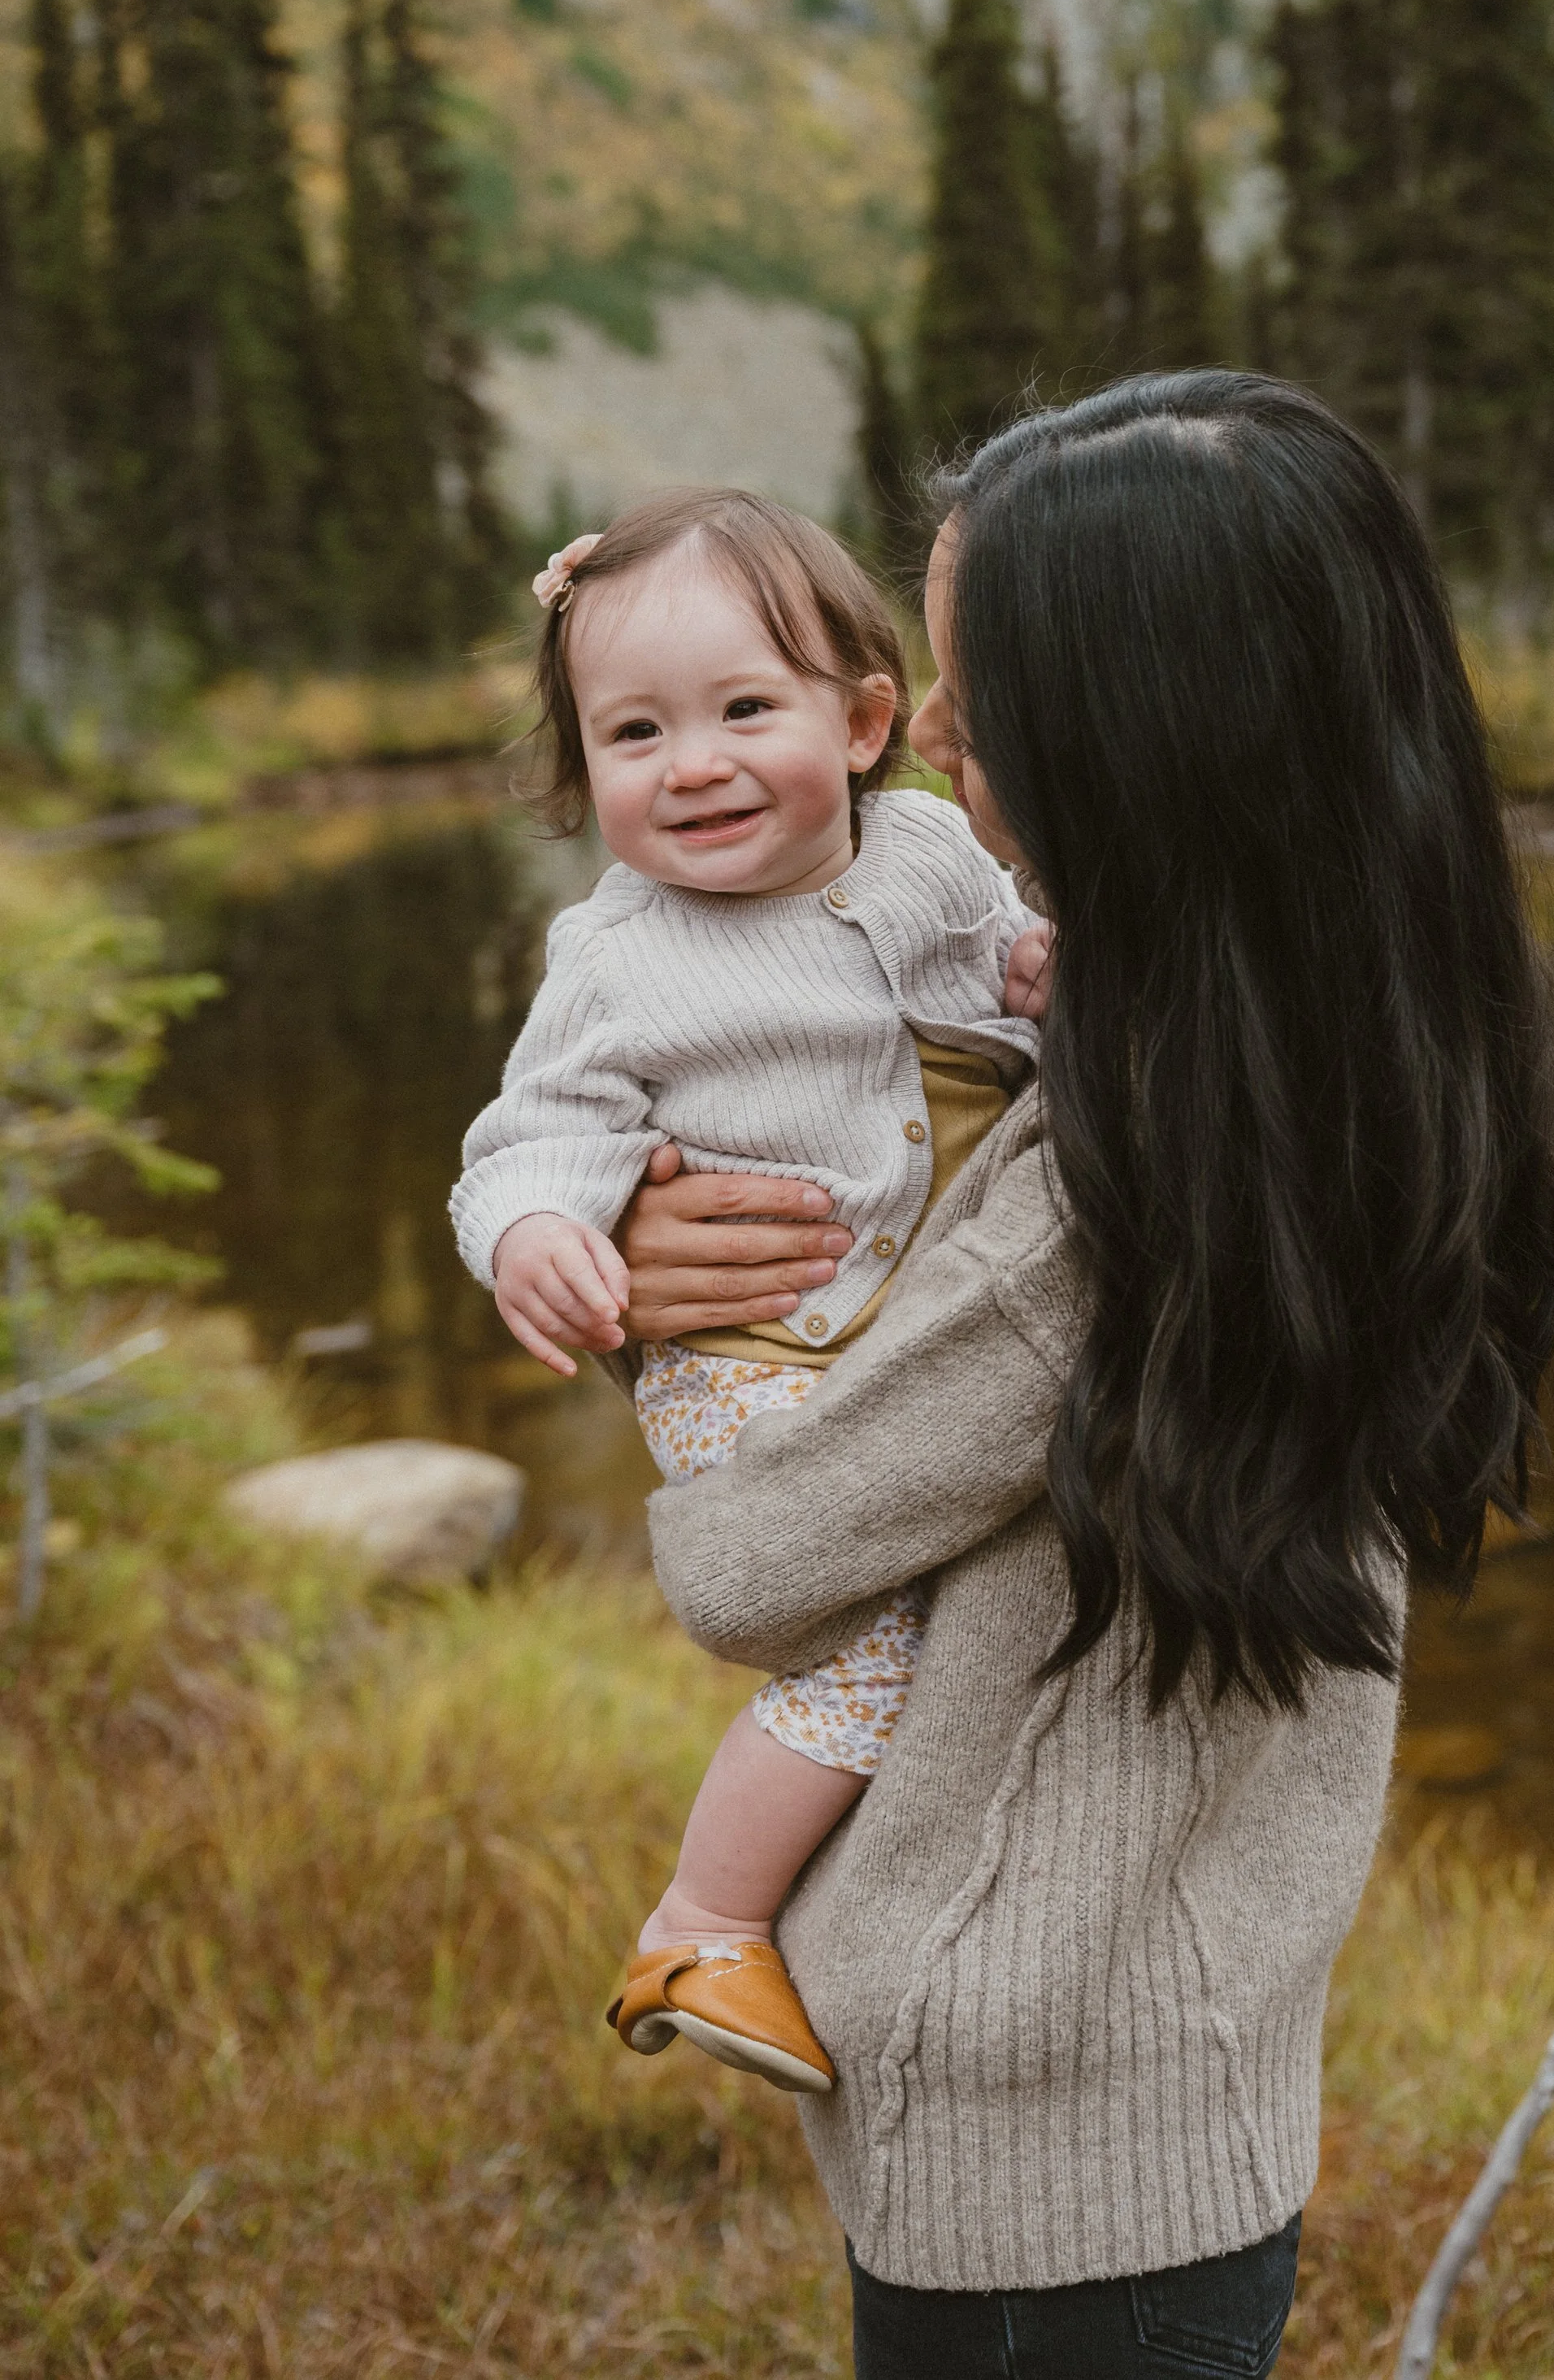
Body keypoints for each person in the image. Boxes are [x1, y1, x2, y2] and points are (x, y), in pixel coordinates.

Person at [624, 373, 1554, 2378]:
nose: (933, 754)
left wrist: (679, 1324)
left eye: (980, 721)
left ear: (1138, 755)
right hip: (1190, 2069)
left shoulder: (1104, 1207)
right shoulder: (1360, 1074)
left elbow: (752, 1565)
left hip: (1021, 2127)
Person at [452, 488, 1052, 2096]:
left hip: (897, 1329)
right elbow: (523, 1141)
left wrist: (1047, 966)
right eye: (633, 732)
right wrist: (537, 1237)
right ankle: (706, 1920)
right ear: (583, 776)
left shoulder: (928, 847)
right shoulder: (615, 958)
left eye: (740, 709)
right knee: (865, 1649)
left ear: (864, 722)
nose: (692, 761)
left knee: (934, 1602)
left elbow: (1005, 960)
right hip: (746, 1356)